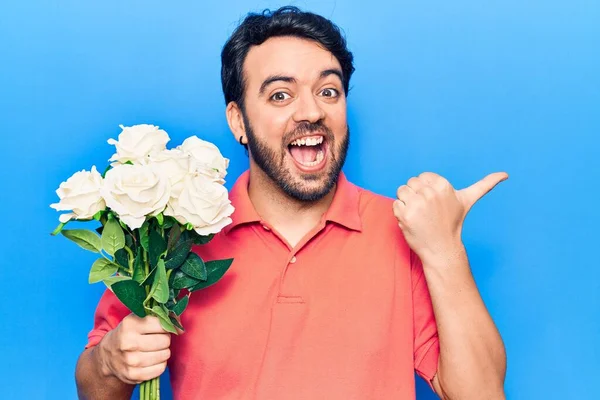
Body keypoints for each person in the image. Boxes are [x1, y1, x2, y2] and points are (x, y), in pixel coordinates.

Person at [75, 6, 507, 399]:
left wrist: (445, 249)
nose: (312, 112)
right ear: (238, 120)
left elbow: (481, 394)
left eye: (329, 91)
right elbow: (96, 387)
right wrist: (111, 362)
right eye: (280, 95)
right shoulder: (174, 238)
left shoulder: (403, 232)